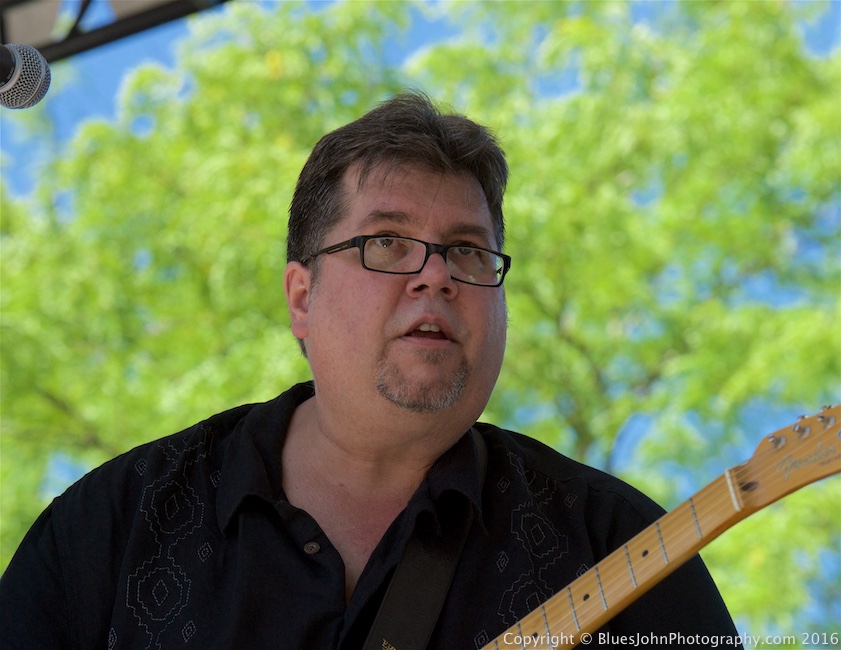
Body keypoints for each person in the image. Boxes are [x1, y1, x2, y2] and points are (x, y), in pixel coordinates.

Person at [0, 92, 742, 649]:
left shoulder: (616, 543)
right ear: (301, 295)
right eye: (386, 243)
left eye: (466, 251)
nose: (435, 277)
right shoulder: (106, 531)